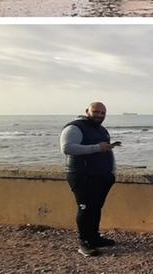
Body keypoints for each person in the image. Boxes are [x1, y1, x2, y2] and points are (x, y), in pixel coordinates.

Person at [59, 101, 120, 257]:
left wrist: (112, 172)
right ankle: (84, 242)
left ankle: (94, 238)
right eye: (96, 112)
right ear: (87, 111)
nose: (100, 115)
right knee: (85, 209)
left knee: (96, 208)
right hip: (81, 175)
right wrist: (97, 147)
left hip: (102, 176)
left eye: (102, 113)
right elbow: (67, 148)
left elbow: (107, 150)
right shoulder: (75, 127)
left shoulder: (101, 130)